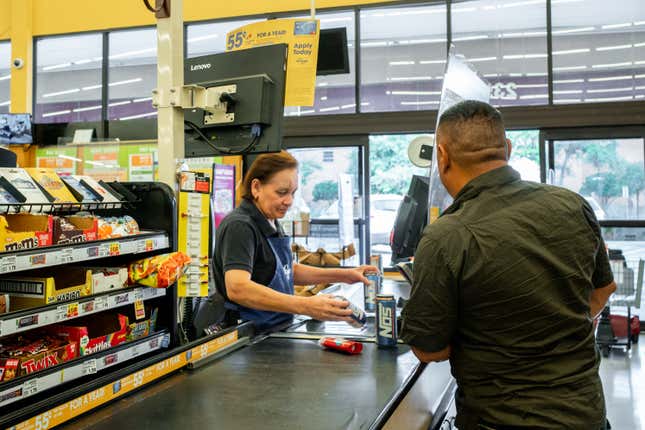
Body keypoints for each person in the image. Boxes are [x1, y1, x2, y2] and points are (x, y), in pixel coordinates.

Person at [400, 100, 616, 430]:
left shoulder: (446, 236)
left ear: (441, 157)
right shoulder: (572, 204)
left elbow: (428, 349)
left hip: (500, 420)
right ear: (508, 149)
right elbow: (604, 289)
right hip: (586, 416)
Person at [213, 150, 378, 332]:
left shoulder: (270, 219)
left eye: (293, 193)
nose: (289, 201)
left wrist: (345, 275)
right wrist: (305, 305)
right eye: (282, 192)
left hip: (276, 330)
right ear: (256, 188)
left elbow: (288, 271)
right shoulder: (240, 226)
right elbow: (238, 288)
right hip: (251, 337)